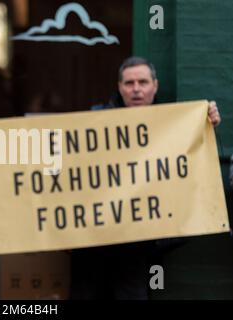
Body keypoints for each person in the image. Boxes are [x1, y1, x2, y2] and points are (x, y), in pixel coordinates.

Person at [71, 56, 221, 300]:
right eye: (129, 83)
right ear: (120, 87)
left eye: (143, 82)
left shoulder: (174, 123)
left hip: (138, 245)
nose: (136, 89)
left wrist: (204, 125)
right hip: (94, 242)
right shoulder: (95, 120)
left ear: (155, 86)